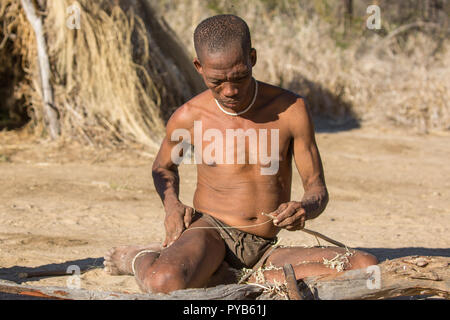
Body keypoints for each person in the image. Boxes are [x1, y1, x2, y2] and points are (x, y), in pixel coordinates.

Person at [103, 14, 377, 294]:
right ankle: (136, 258)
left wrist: (305, 208)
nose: (230, 90)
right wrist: (172, 205)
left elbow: (317, 188)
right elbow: (162, 167)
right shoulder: (190, 117)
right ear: (199, 67)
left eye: (240, 77)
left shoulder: (291, 109)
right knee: (164, 283)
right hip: (210, 233)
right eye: (217, 81)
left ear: (252, 58)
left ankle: (230, 275)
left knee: (363, 267)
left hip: (266, 247)